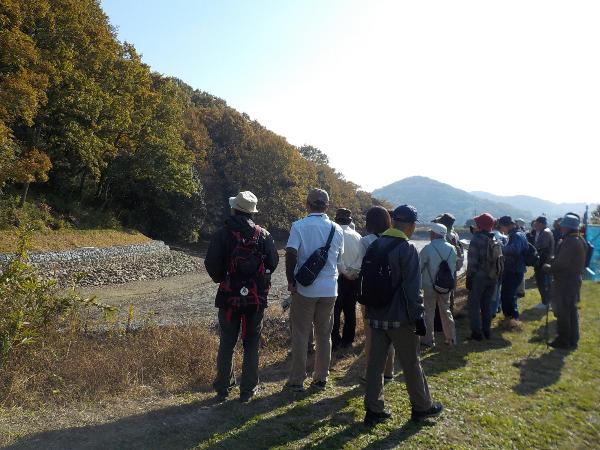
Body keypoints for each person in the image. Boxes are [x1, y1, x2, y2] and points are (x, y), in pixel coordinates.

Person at [363, 204, 443, 426]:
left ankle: (373, 410)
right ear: (411, 225)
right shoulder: (407, 249)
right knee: (411, 363)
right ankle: (422, 407)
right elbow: (411, 288)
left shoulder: (375, 244)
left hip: (375, 314)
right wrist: (418, 317)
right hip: (400, 317)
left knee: (375, 365)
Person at [204, 191, 279, 403]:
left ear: (234, 209)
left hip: (229, 297)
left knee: (227, 341)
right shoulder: (263, 234)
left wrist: (223, 279)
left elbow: (211, 263)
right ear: (252, 212)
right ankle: (248, 390)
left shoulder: (222, 233)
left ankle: (223, 388)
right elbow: (273, 263)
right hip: (255, 298)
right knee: (252, 342)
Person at [284, 188, 344, 391]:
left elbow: (291, 254)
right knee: (324, 335)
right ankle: (320, 378)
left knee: (301, 335)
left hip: (305, 289)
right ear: (327, 206)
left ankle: (296, 380)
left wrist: (291, 281)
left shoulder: (299, 226)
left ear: (307, 204)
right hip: (330, 289)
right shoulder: (337, 229)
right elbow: (339, 259)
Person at [358, 206, 396, 383]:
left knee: (371, 335)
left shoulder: (366, 241)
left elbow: (360, 268)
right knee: (388, 333)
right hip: (391, 293)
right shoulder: (394, 240)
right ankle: (388, 372)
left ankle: (370, 373)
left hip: (371, 293)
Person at [543, 213, 587, 349]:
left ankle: (564, 340)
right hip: (572, 280)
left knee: (563, 311)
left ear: (568, 227)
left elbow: (562, 263)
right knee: (570, 310)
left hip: (565, 281)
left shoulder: (570, 241)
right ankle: (572, 339)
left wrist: (548, 267)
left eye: (563, 226)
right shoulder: (579, 239)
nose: (561, 228)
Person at [419, 222, 457, 348]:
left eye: (431, 232)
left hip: (429, 286)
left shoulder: (428, 248)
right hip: (446, 285)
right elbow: (455, 267)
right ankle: (451, 338)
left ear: (434, 234)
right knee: (446, 310)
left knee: (429, 312)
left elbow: (418, 268)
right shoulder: (452, 249)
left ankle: (428, 340)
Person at [466, 213, 502, 340]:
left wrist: (469, 277)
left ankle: (476, 333)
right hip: (492, 276)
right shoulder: (494, 239)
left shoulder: (476, 239)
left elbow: (472, 262)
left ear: (480, 225)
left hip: (479, 277)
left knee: (474, 304)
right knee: (486, 305)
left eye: (477, 223)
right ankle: (487, 331)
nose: (475, 225)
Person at [331, 208, 362, 350]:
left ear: (336, 219)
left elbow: (336, 257)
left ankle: (335, 341)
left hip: (338, 277)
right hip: (354, 277)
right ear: (350, 221)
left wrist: (344, 271)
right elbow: (361, 258)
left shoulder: (334, 234)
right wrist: (353, 272)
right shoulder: (358, 236)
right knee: (350, 310)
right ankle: (348, 340)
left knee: (335, 311)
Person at [498, 216, 528, 324]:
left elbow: (515, 250)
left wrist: (500, 247)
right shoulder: (519, 233)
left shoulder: (516, 235)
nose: (502, 230)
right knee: (510, 294)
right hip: (516, 269)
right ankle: (511, 317)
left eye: (502, 227)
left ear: (507, 225)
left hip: (513, 270)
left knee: (508, 295)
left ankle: (512, 318)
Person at [432, 213, 464, 311]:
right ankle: (449, 312)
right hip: (452, 268)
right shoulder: (454, 234)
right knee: (450, 290)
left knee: (441, 291)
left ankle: (441, 316)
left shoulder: (446, 235)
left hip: (442, 268)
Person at [532, 216, 555, 309]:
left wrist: (534, 248)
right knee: (544, 282)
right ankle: (546, 301)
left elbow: (543, 247)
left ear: (541, 224)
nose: (535, 226)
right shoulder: (547, 231)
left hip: (543, 261)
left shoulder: (545, 233)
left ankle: (545, 302)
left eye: (536, 224)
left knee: (542, 282)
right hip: (546, 260)